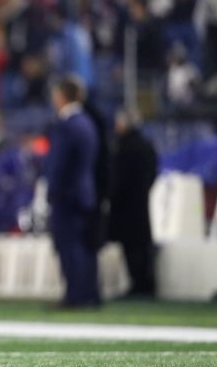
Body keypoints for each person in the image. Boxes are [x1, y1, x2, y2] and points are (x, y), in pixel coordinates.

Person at [46, 77, 100, 309]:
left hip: (67, 195)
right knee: (83, 246)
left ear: (61, 96)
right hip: (83, 192)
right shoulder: (87, 122)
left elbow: (58, 164)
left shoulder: (67, 125)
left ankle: (76, 295)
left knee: (69, 246)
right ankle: (88, 293)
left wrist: (53, 190)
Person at [109, 109, 158, 298]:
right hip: (141, 203)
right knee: (142, 246)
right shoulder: (147, 145)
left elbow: (118, 178)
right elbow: (153, 173)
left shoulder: (123, 147)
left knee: (131, 247)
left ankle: (139, 285)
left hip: (125, 206)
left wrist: (112, 195)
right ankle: (146, 284)